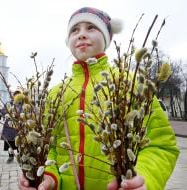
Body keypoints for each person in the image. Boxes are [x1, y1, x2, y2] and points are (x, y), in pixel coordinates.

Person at [19, 7, 179, 190]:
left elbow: (161, 145)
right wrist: (49, 176)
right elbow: (51, 148)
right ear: (68, 40)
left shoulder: (130, 84)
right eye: (74, 30)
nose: (81, 35)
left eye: (91, 27)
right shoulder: (56, 94)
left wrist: (143, 179)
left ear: (106, 38)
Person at [1, 90, 21, 163]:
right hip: (9, 127)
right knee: (9, 143)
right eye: (16, 96)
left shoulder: (22, 105)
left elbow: (25, 113)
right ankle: (10, 157)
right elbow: (3, 111)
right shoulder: (8, 103)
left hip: (19, 126)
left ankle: (20, 157)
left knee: (20, 142)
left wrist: (18, 115)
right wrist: (10, 114)